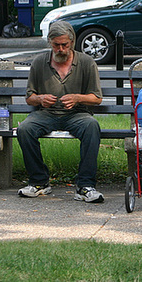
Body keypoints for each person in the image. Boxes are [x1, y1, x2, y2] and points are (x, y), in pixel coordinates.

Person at [17, 21, 104, 203]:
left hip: (77, 114)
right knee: (25, 129)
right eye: (56, 45)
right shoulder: (40, 62)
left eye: (65, 45)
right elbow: (29, 97)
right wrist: (40, 99)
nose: (61, 49)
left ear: (71, 42)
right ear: (50, 42)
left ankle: (85, 185)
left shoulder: (86, 63)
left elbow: (96, 98)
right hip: (46, 114)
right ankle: (39, 182)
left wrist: (77, 98)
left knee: (91, 126)